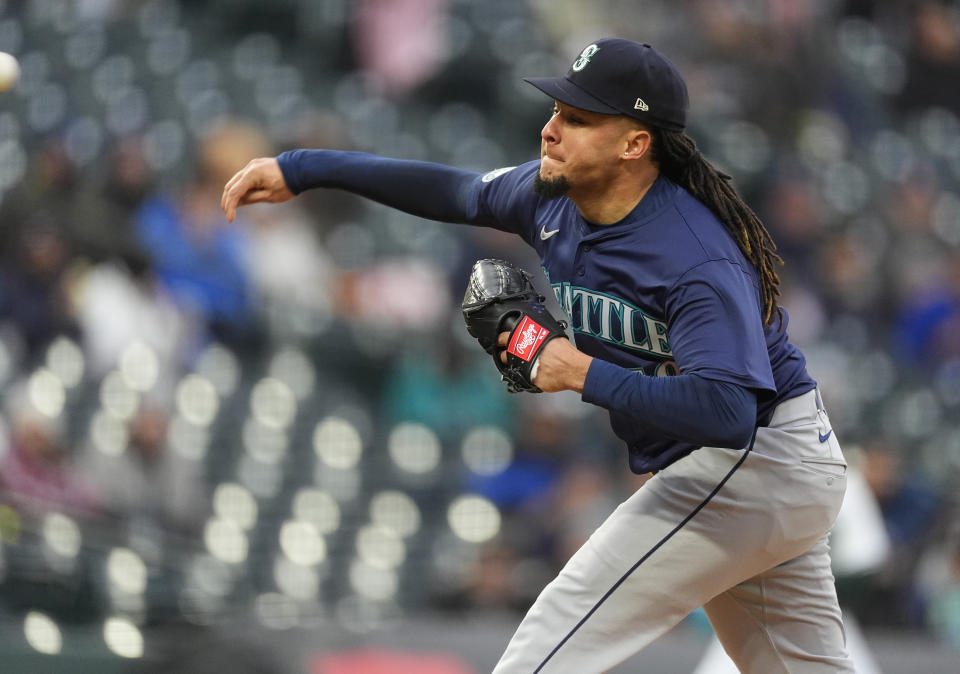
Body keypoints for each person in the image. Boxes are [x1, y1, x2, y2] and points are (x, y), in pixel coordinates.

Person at [222, 38, 854, 673]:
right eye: (556, 110)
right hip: (778, 470)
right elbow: (455, 192)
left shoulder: (694, 257)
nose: (550, 129)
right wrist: (304, 169)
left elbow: (727, 410)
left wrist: (576, 371)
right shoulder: (553, 196)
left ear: (634, 144)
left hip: (754, 459)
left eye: (577, 119)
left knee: (549, 643)